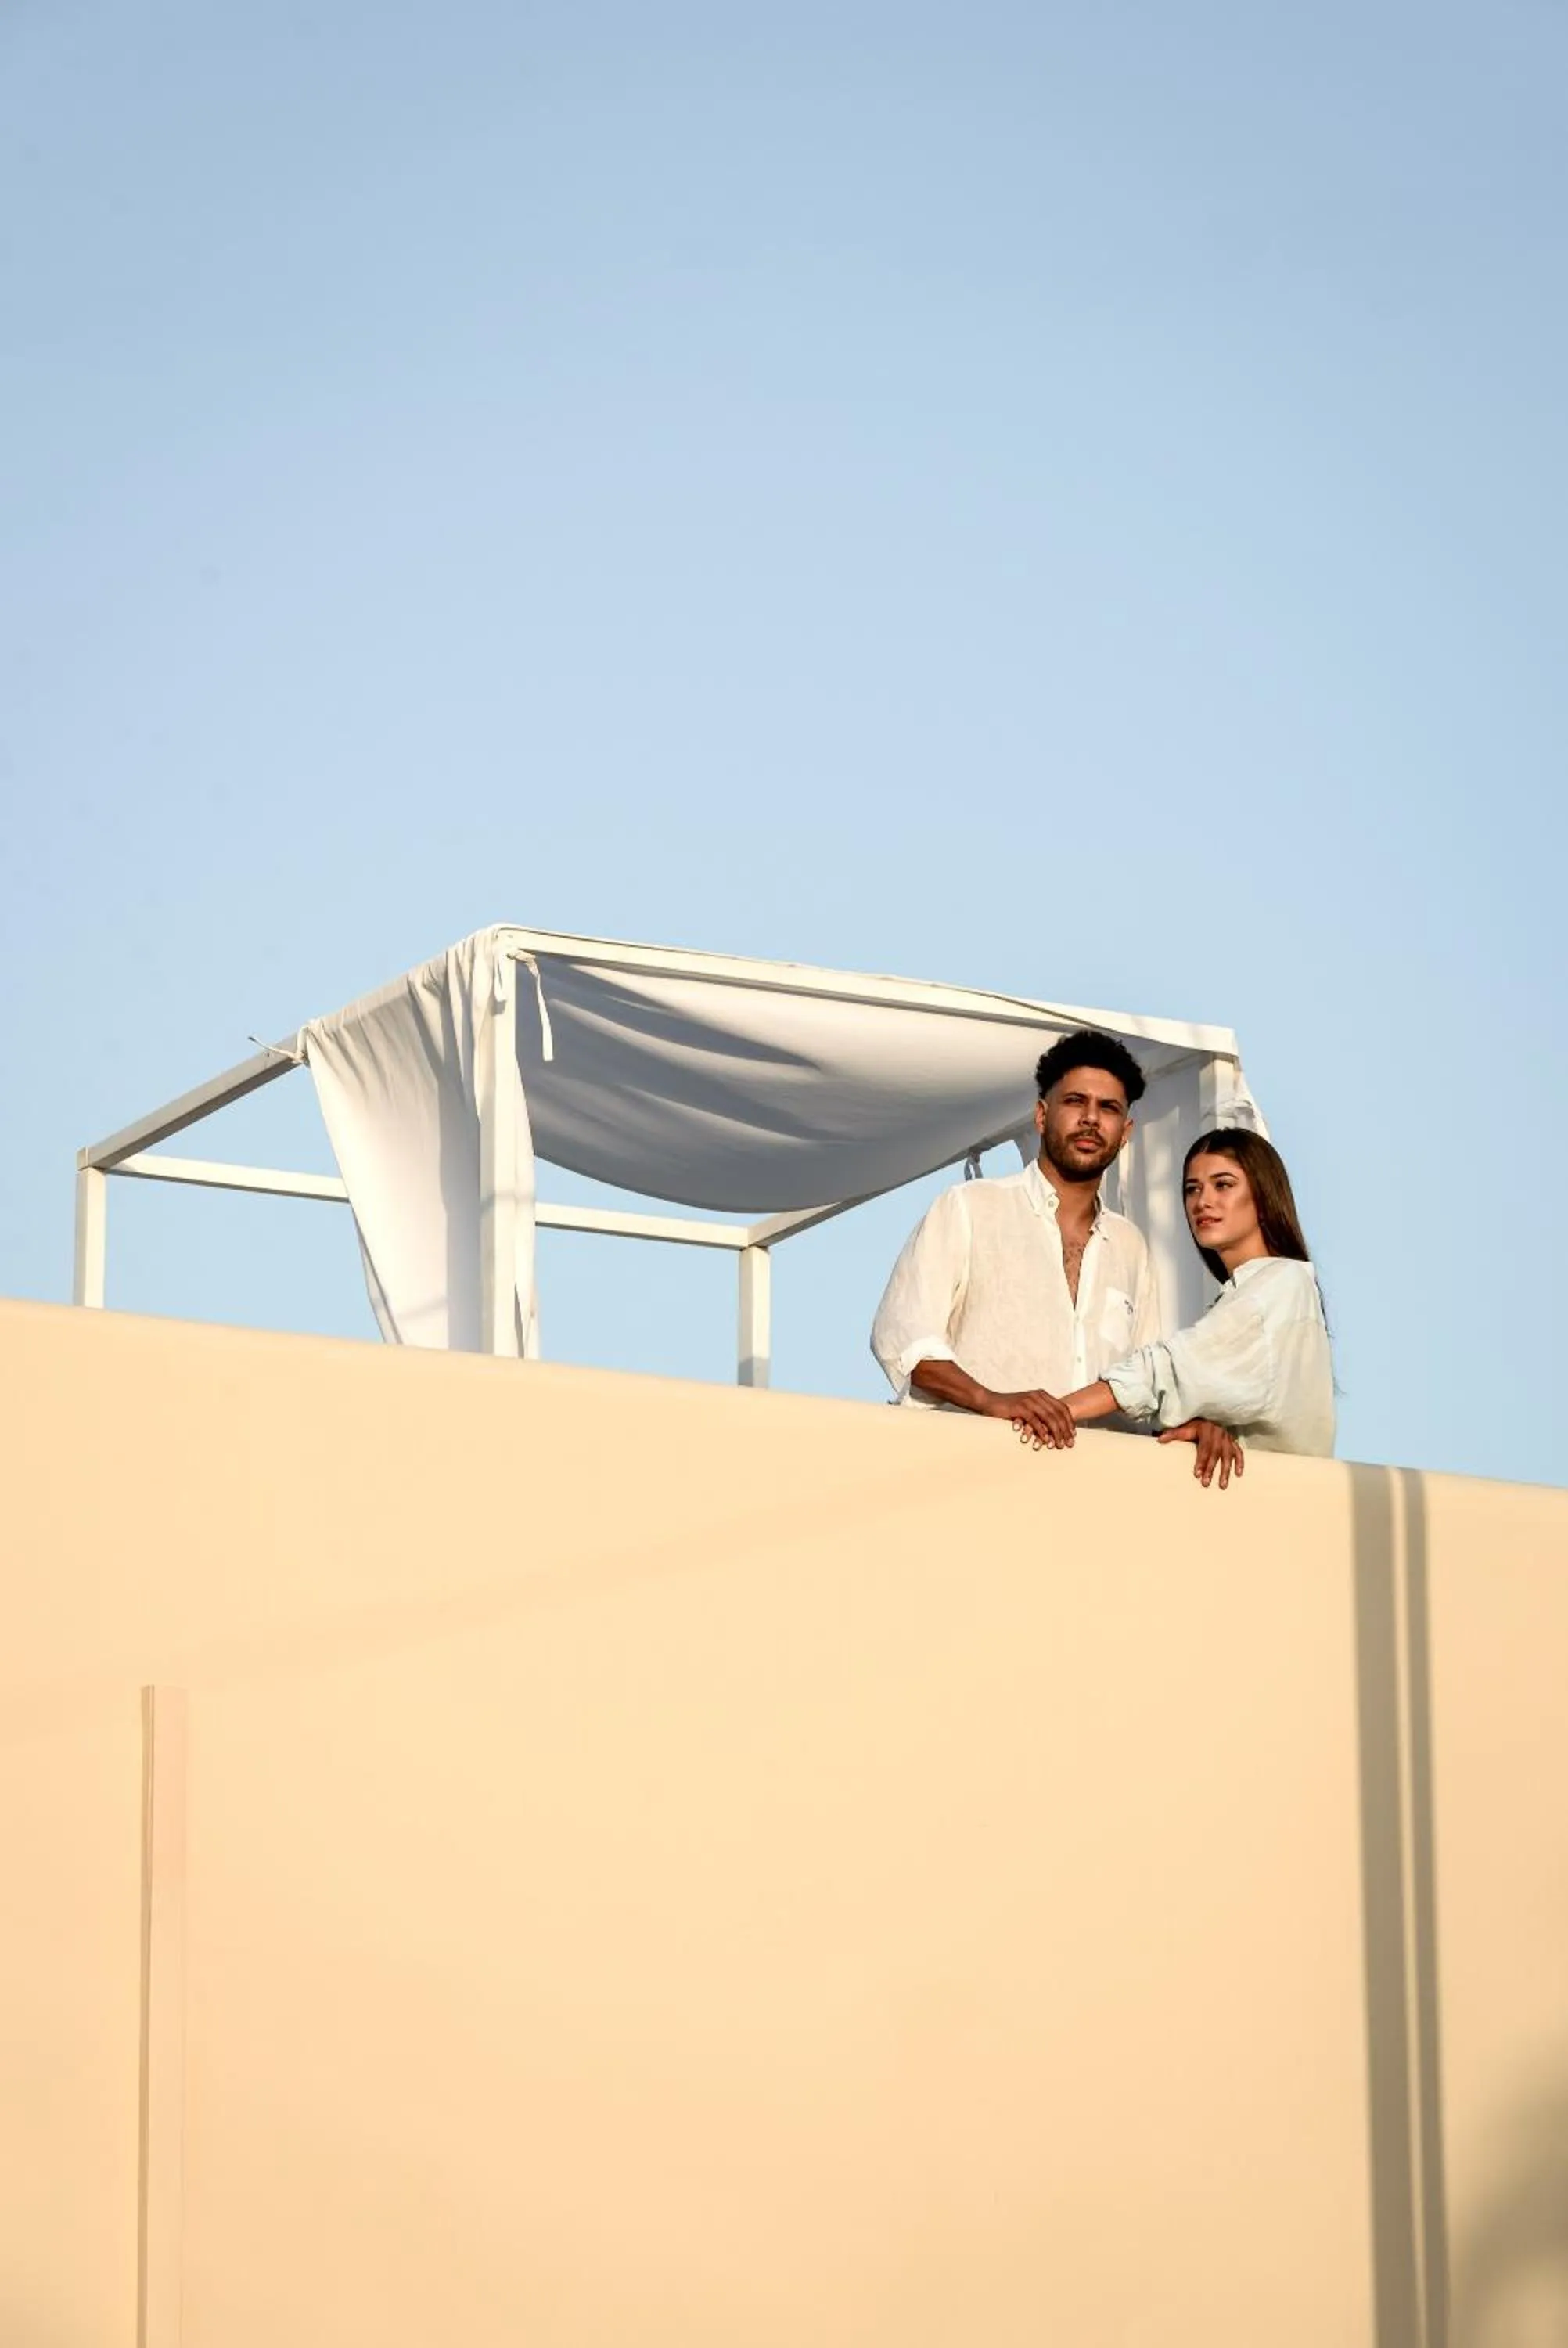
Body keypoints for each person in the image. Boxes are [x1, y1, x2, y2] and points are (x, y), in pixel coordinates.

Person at [870, 1029, 1163, 1449]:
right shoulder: (970, 1208)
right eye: (1075, 1101)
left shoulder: (1131, 1246)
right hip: (978, 1472)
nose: (1091, 1119)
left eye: (1108, 1108)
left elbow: (1147, 1381)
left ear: (1126, 1130)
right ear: (1042, 1116)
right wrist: (991, 1401)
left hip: (1098, 1491)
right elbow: (903, 1337)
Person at [1059, 1128, 1335, 1468]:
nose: (1202, 1201)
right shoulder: (1245, 1294)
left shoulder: (1282, 1283)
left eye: (1223, 1185)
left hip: (1272, 1506)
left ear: (1263, 1195)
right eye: (1193, 1189)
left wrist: (1054, 1414)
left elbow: (1171, 1369)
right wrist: (1204, 1424)